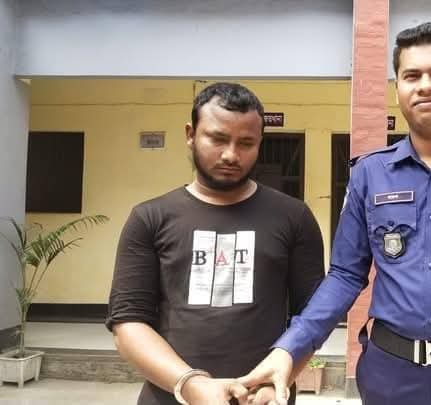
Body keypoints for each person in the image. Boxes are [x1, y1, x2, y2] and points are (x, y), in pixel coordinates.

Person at [241, 22, 431, 405]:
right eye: (412, 76)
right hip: (391, 378)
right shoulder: (369, 174)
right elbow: (344, 276)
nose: (425, 85)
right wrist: (289, 349)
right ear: (398, 90)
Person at [106, 82, 325, 405]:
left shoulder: (294, 217)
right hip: (170, 396)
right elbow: (128, 323)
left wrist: (283, 377)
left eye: (246, 143)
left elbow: (312, 318)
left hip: (263, 399)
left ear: (260, 142)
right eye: (218, 139)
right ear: (190, 134)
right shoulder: (150, 218)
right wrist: (190, 384)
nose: (230, 155)